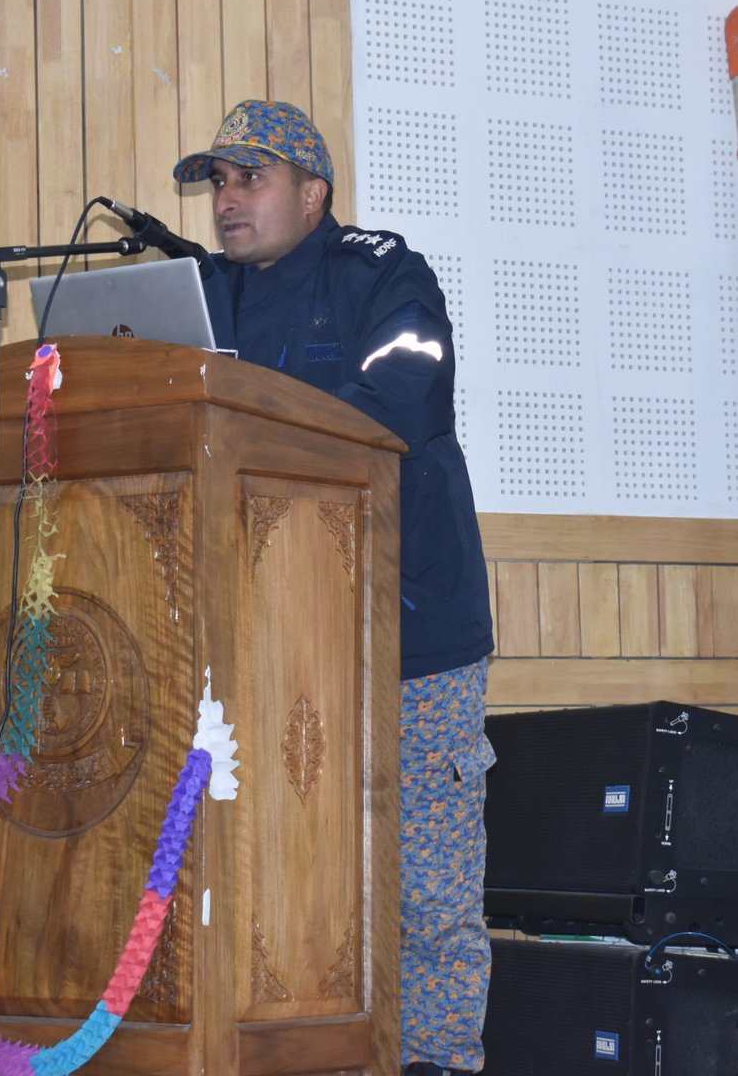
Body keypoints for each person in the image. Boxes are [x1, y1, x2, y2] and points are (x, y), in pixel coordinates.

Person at [173, 100, 496, 1076]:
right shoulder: (199, 296)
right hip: (265, 645)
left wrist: (250, 428)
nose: (228, 199)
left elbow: (395, 403)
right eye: (218, 180)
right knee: (278, 884)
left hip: (408, 633)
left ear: (313, 193)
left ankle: (438, 1060)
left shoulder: (385, 274)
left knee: (426, 887)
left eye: (251, 176)